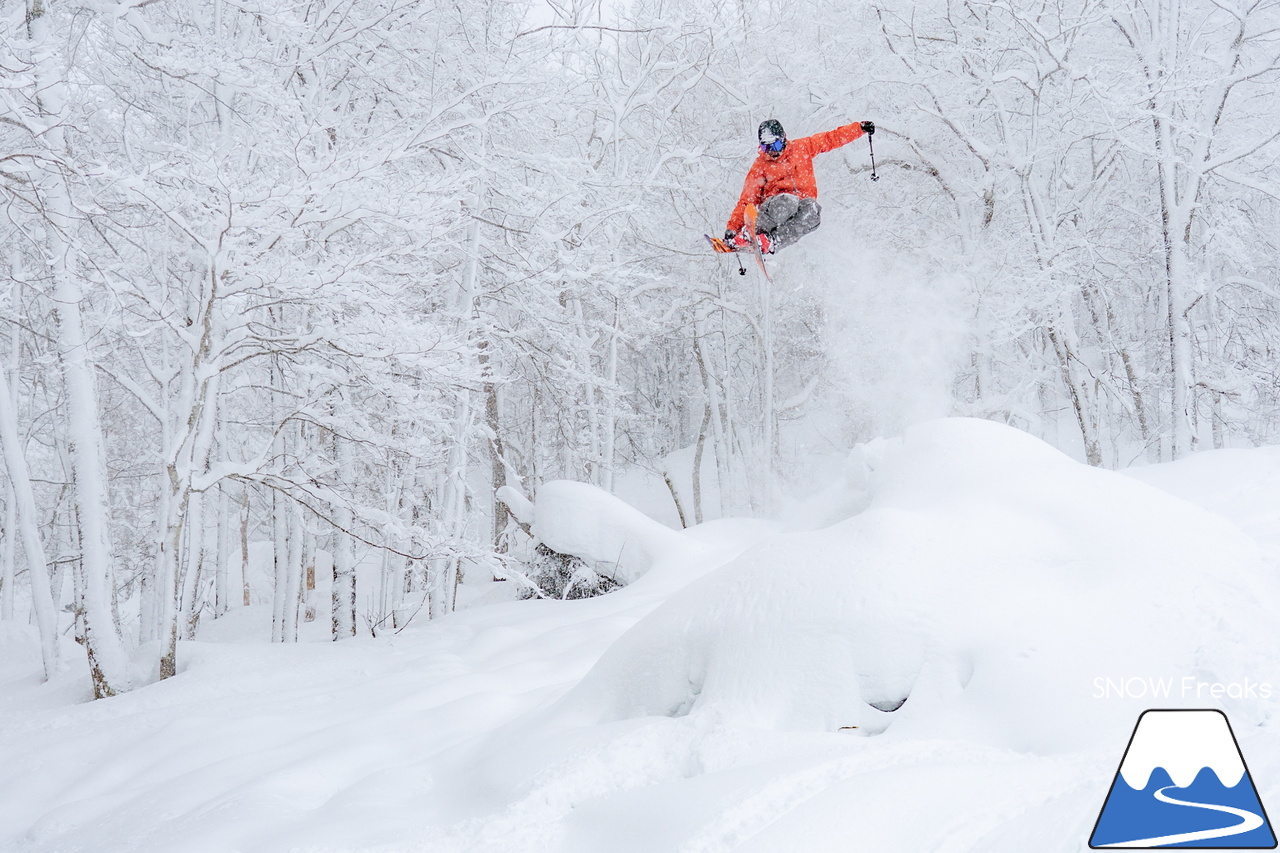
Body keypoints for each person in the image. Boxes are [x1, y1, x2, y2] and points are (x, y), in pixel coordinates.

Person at [724, 118, 875, 255]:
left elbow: (830, 139)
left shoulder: (802, 148)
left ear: (783, 139)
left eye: (775, 146)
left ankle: (771, 240)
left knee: (813, 211)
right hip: (774, 206)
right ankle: (747, 235)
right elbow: (746, 199)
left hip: (799, 205)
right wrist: (733, 227)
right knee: (788, 201)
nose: (772, 152)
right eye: (766, 148)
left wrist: (859, 129)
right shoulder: (761, 166)